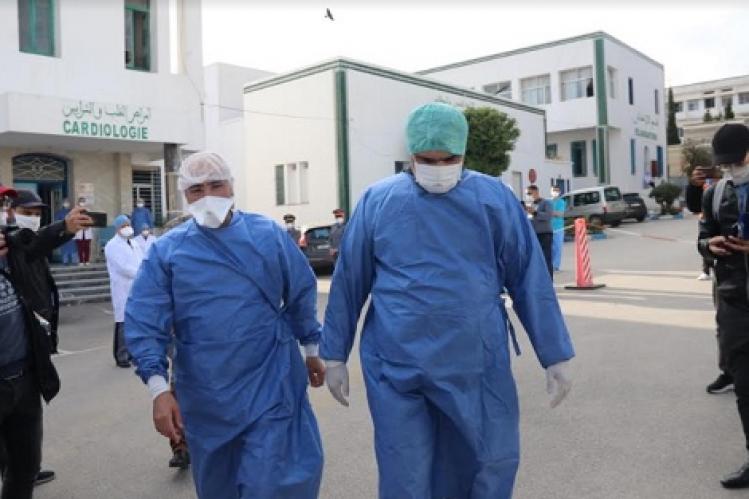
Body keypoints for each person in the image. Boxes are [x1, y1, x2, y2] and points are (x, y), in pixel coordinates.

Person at [321, 102, 575, 498]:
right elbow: (350, 280)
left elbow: (528, 276)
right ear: (411, 155)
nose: (438, 169)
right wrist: (334, 353)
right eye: (427, 160)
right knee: (405, 470)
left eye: (449, 159)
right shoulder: (379, 201)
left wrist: (553, 353)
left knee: (488, 461)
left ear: (464, 153)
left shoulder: (493, 198)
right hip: (397, 361)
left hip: (475, 358)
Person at [124, 152, 325, 498]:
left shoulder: (268, 235)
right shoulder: (168, 252)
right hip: (207, 395)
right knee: (221, 485)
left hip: (272, 381)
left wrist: (312, 348)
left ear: (231, 185)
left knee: (275, 482)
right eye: (197, 189)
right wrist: (158, 390)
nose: (208, 196)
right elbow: (144, 320)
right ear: (185, 195)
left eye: (216, 185)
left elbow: (301, 292)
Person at [0, 185, 91, 499]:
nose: (7, 212)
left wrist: (65, 227)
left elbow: (35, 242)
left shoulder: (14, 247)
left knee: (24, 469)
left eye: (6, 204)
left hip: (24, 377)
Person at [697, 123, 749, 489]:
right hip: (734, 301)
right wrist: (708, 245)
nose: (733, 169)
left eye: (738, 162)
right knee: (745, 386)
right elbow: (703, 235)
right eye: (726, 164)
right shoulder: (715, 194)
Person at [687, 166, 734, 394]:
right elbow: (702, 224)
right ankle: (730, 372)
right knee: (726, 327)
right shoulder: (718, 191)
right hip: (727, 273)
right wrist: (708, 246)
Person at [104, 215, 143, 368]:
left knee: (135, 323)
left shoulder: (134, 243)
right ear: (117, 228)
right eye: (123, 226)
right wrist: (141, 273)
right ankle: (121, 356)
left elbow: (142, 260)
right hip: (123, 287)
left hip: (137, 286)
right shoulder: (112, 245)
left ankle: (133, 354)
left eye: (128, 225)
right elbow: (122, 267)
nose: (127, 228)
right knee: (123, 323)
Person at [526, 184, 554, 278]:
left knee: (546, 258)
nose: (528, 195)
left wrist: (535, 212)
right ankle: (539, 280)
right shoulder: (530, 205)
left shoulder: (546, 203)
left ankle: (549, 280)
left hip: (545, 234)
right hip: (534, 235)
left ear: (536, 192)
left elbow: (548, 216)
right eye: (527, 194)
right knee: (536, 259)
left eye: (529, 193)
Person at [54, 199, 77, 266]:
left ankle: (74, 261)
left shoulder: (72, 212)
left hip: (71, 231)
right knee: (64, 247)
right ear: (63, 204)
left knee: (73, 247)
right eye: (65, 203)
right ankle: (65, 261)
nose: (67, 204)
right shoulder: (59, 213)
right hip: (63, 231)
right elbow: (56, 222)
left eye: (68, 203)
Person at [73, 197, 93, 266]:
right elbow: (74, 220)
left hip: (87, 231)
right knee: (80, 248)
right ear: (78, 202)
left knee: (87, 247)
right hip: (79, 231)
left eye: (83, 201)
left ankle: (87, 260)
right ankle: (81, 261)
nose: (82, 203)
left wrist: (87, 226)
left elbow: (91, 220)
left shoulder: (88, 210)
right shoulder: (75, 211)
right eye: (81, 201)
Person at [550, 185, 566, 271]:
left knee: (557, 247)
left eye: (557, 191)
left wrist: (550, 212)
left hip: (559, 228)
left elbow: (560, 214)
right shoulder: (548, 202)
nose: (555, 192)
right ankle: (550, 265)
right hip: (548, 228)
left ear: (559, 192)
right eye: (554, 190)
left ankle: (556, 265)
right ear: (551, 191)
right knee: (550, 248)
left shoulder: (561, 202)